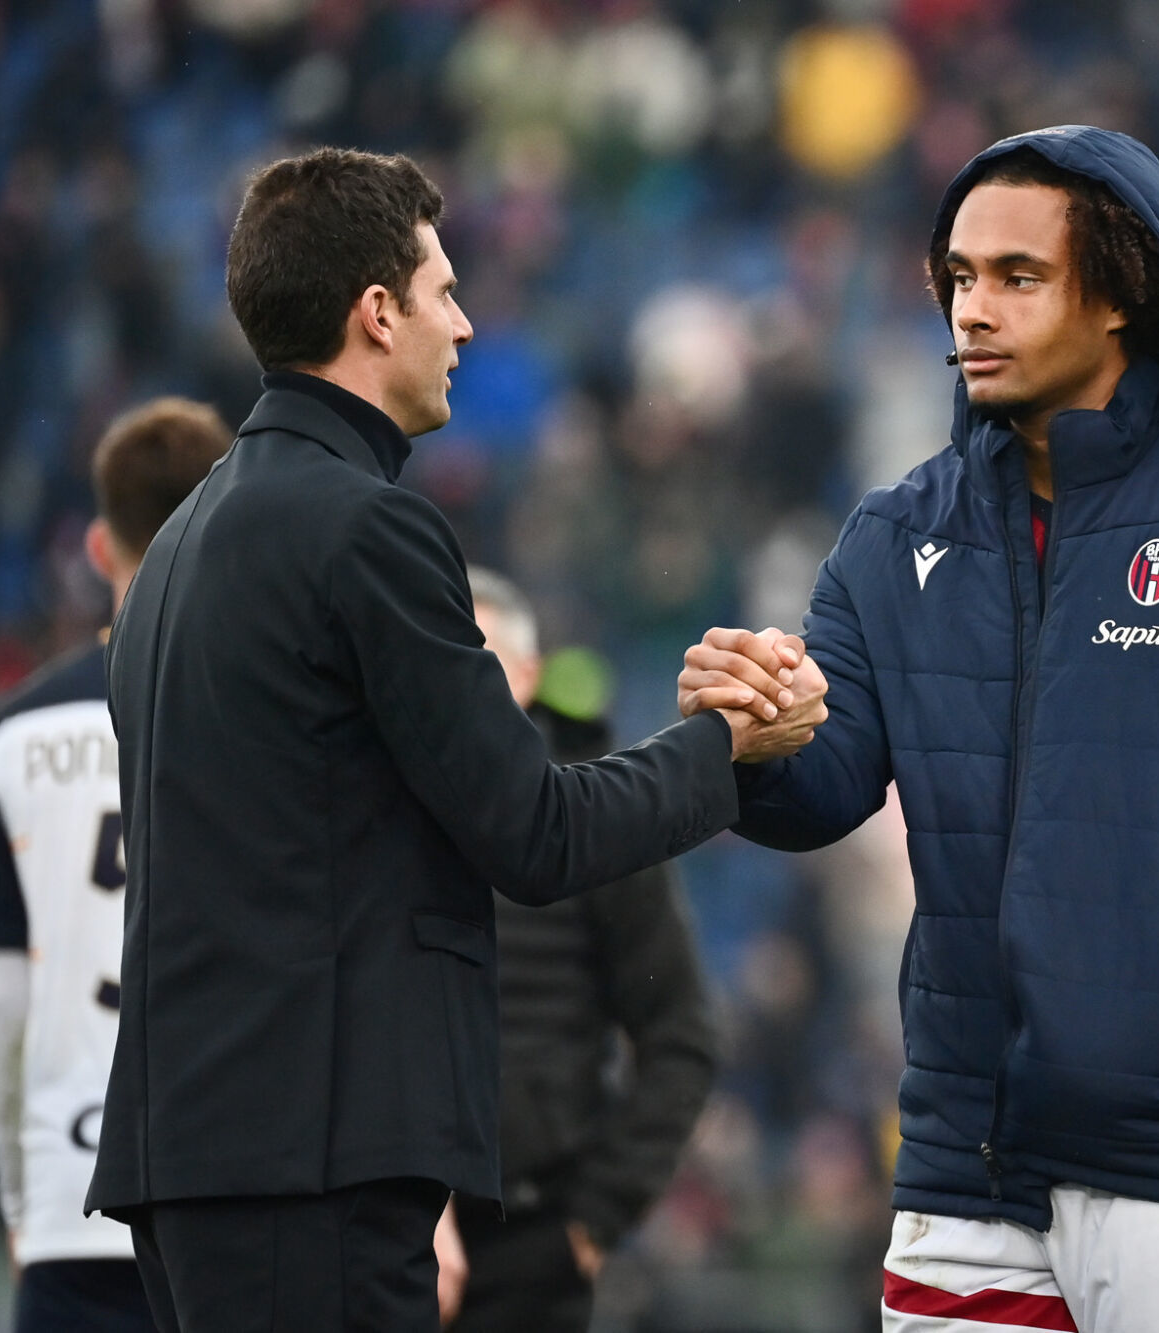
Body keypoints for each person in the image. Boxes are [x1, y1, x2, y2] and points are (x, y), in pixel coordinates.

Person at [678, 126, 1159, 1332]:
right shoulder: (890, 533)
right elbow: (826, 789)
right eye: (959, 278)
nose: (972, 309)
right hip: (959, 1170)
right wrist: (756, 735)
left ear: (1124, 292)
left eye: (1016, 277)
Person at [85, 147, 826, 1333]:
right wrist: (726, 748)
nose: (465, 324)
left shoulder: (177, 548)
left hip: (189, 1153)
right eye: (441, 292)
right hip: (313, 1164)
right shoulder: (367, 530)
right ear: (375, 315)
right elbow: (531, 830)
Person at [0, 397, 232, 1332]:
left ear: (101, 551)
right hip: (232, 1189)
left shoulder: (11, 735)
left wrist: (16, 1193)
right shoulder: (276, 714)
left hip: (74, 1195)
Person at [433, 567, 718, 1332]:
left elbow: (681, 1034)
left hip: (532, 1239)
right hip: (379, 1231)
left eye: (479, 657)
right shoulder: (370, 807)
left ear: (529, 676)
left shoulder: (596, 820)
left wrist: (594, 1219)